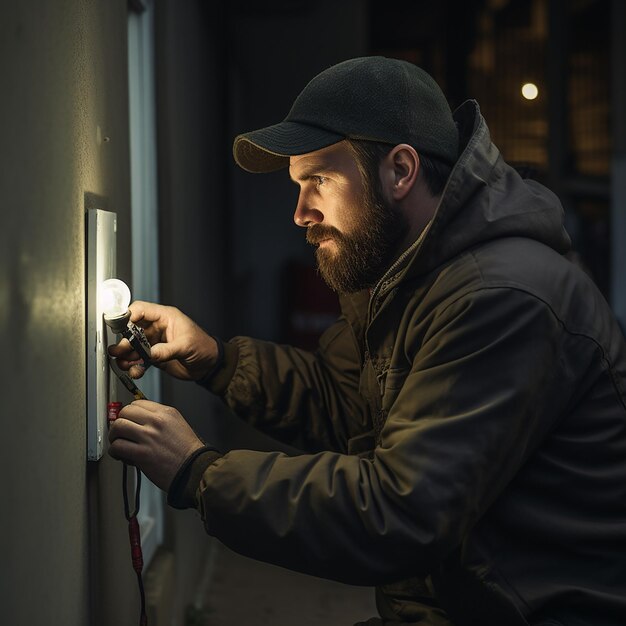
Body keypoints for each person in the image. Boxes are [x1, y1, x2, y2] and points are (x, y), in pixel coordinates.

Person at [108, 57, 626, 625]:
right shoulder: (408, 276)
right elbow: (355, 410)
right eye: (298, 185)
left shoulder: (501, 297)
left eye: (319, 181)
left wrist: (199, 471)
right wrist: (219, 361)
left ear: (400, 171)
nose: (301, 213)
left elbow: (400, 510)